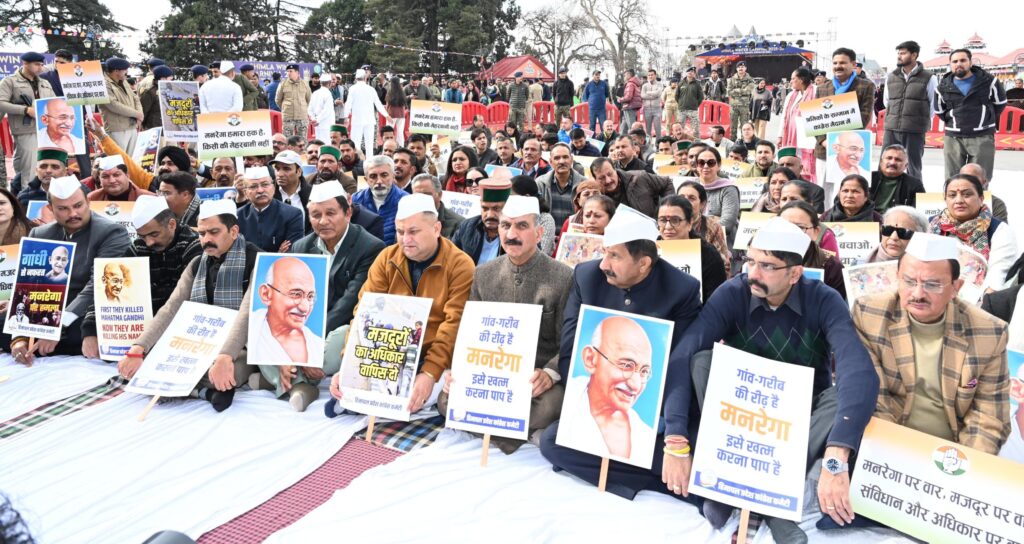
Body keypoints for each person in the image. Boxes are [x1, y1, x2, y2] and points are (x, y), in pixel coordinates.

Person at [671, 217, 878, 542]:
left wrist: (837, 456)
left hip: (799, 418)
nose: (753, 273)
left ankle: (759, 499)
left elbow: (857, 368)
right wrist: (675, 440)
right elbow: (686, 352)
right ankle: (767, 504)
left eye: (767, 266)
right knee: (701, 362)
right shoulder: (734, 292)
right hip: (741, 409)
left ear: (795, 274)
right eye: (750, 261)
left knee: (843, 394)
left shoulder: (823, 298)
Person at [539, 209, 703, 503]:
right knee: (553, 442)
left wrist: (667, 428)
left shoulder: (681, 290)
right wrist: (582, 408)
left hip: (658, 408)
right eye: (604, 252)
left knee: (694, 448)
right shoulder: (587, 277)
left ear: (644, 263)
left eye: (614, 256)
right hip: (598, 406)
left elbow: (679, 365)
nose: (604, 264)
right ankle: (664, 481)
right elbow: (571, 349)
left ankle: (666, 472)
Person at [854, 233, 1009, 455]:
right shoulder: (870, 314)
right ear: (897, 277)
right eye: (909, 282)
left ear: (956, 287)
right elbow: (873, 399)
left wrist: (964, 464)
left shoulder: (988, 331)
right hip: (887, 445)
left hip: (952, 452)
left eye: (932, 285)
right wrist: (892, 458)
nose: (918, 294)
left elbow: (988, 416)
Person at [438, 195, 572, 452]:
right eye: (505, 225)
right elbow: (471, 333)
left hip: (534, 380)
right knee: (446, 399)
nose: (511, 234)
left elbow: (569, 339)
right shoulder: (483, 274)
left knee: (550, 406)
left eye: (522, 226)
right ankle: (516, 427)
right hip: (492, 378)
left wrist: (550, 374)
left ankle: (487, 423)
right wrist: (460, 371)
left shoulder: (563, 277)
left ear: (539, 233)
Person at [326, 194, 474, 416]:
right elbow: (364, 313)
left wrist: (430, 373)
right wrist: (350, 365)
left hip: (434, 353)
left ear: (436, 229)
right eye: (400, 232)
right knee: (339, 372)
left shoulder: (460, 265)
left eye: (413, 232)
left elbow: (453, 325)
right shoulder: (387, 258)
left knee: (418, 395)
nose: (405, 239)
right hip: (388, 351)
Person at [117, 199, 260, 412]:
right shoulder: (198, 263)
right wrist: (139, 348)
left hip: (242, 344)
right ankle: (203, 392)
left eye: (214, 232)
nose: (206, 239)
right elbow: (171, 308)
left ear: (233, 231)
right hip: (200, 342)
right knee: (145, 363)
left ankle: (201, 386)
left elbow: (247, 314)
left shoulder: (256, 260)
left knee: (228, 372)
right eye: (202, 233)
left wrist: (225, 356)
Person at [7, 176, 131, 363]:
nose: (73, 213)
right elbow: (28, 286)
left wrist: (56, 327)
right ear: (51, 209)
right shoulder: (40, 234)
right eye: (63, 208)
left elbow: (98, 286)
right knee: (7, 322)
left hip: (87, 311)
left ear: (88, 202)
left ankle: (50, 342)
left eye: (78, 205)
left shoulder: (111, 232)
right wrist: (19, 337)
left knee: (80, 331)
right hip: (46, 312)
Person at [248, 257, 326, 411]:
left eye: (310, 297)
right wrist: (280, 361)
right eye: (296, 294)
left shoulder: (315, 342)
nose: (305, 307)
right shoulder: (255, 326)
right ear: (266, 294)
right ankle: (301, 386)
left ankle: (273, 381)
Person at [929, 173, 1017, 292]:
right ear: (945, 199)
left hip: (980, 297)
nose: (959, 200)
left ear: (981, 199)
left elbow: (997, 276)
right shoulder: (932, 225)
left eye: (967, 194)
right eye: (952, 195)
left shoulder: (999, 230)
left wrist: (983, 299)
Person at [935, 49, 1006, 180]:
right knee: (953, 178)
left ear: (970, 62)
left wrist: (985, 119)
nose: (958, 64)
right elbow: (939, 110)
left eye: (963, 60)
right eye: (955, 61)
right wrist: (954, 122)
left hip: (982, 136)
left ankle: (979, 194)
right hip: (953, 137)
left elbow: (1000, 103)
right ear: (950, 64)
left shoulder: (989, 81)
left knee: (980, 177)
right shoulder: (942, 86)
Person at [815, 48, 876, 192]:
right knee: (822, 192)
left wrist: (842, 142)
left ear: (853, 64)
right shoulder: (822, 88)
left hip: (850, 150)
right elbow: (816, 120)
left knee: (848, 191)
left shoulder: (866, 86)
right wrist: (824, 141)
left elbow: (864, 117)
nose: (838, 66)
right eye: (835, 63)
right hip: (824, 148)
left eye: (842, 62)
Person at [882, 41, 936, 179]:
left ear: (914, 55)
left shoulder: (929, 77)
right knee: (886, 165)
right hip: (892, 129)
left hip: (914, 130)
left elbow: (933, 105)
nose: (899, 56)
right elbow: (887, 101)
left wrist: (918, 121)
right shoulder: (891, 76)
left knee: (913, 167)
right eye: (898, 53)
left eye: (903, 53)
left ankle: (914, 193)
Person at [657, 195, 727, 301]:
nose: (668, 227)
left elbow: (716, 301)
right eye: (662, 220)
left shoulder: (708, 255)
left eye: (675, 220)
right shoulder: (650, 252)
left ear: (689, 223)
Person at [0, 52, 55, 183]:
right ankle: (27, 194)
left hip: (46, 130)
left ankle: (23, 191)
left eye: (41, 64)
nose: (40, 67)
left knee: (44, 168)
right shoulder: (10, 81)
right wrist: (25, 110)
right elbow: (1, 103)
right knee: (30, 171)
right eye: (36, 64)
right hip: (25, 130)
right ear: (25, 63)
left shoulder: (45, 83)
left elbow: (54, 102)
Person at [780, 201, 847, 299]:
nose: (791, 232)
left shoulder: (831, 267)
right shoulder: (760, 258)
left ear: (816, 231)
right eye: (785, 226)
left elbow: (835, 304)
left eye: (800, 227)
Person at [236, 167, 304, 253]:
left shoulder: (292, 214)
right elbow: (238, 251)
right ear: (245, 193)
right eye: (253, 186)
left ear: (273, 187)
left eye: (265, 185)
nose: (260, 190)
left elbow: (292, 251)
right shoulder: (238, 216)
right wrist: (277, 253)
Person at [590, 157, 673, 220]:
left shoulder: (639, 178)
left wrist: (666, 210)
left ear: (615, 170)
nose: (608, 180)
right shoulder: (595, 197)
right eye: (601, 178)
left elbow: (667, 183)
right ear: (595, 179)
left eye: (610, 174)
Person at [676, 180, 731, 276]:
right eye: (681, 197)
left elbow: (724, 266)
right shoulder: (666, 225)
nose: (685, 202)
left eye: (691, 198)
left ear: (702, 204)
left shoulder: (713, 227)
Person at [351, 155, 408, 245]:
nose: (379, 181)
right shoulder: (355, 200)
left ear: (393, 176)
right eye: (373, 176)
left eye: (384, 175)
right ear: (366, 179)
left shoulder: (406, 200)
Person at [451, 179, 510, 265]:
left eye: (496, 209)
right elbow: (451, 259)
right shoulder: (466, 227)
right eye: (485, 208)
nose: (490, 215)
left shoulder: (515, 234)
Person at [777, 68, 818, 183]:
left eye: (793, 79)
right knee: (792, 160)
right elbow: (784, 116)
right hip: (791, 136)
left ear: (801, 80)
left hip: (808, 138)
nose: (790, 81)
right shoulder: (791, 95)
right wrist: (780, 135)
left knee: (807, 164)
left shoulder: (816, 91)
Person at [98, 57, 143, 156]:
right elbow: (113, 105)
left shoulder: (124, 81)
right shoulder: (103, 84)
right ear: (116, 71)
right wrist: (137, 114)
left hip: (131, 126)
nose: (127, 72)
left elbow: (135, 97)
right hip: (117, 129)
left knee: (131, 160)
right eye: (125, 70)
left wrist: (140, 114)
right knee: (119, 160)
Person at [536, 143, 586, 228]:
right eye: (557, 158)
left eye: (565, 157)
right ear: (550, 162)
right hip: (547, 234)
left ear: (571, 159)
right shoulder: (540, 183)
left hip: (574, 234)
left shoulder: (584, 184)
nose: (562, 161)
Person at [780, 180, 837, 253]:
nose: (787, 203)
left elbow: (831, 260)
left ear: (809, 203)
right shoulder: (771, 227)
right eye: (784, 199)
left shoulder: (824, 234)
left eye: (794, 199)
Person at [870, 144, 924, 213]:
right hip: (868, 218)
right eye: (889, 158)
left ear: (906, 166)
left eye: (898, 160)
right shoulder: (867, 178)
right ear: (881, 162)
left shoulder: (915, 184)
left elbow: (920, 211)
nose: (892, 162)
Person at [411, 173, 463, 239]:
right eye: (417, 196)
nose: (422, 199)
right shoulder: (406, 217)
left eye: (427, 195)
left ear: (439, 195)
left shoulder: (458, 224)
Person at [87, 155, 156, 201]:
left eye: (116, 175)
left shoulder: (149, 199)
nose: (112, 181)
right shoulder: (92, 199)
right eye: (105, 176)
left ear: (127, 176)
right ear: (99, 179)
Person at [276, 64, 313, 138]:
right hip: (288, 116)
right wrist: (285, 108)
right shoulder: (283, 84)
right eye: (287, 71)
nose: (288, 73)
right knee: (287, 139)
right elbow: (278, 99)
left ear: (297, 72)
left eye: (291, 71)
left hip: (302, 116)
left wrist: (303, 108)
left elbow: (309, 99)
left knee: (302, 139)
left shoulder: (305, 84)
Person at [727, 61, 756, 138]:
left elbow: (748, 91)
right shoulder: (732, 79)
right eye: (739, 67)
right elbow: (729, 92)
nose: (740, 68)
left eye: (742, 67)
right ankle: (733, 142)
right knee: (733, 126)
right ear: (736, 69)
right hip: (734, 106)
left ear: (745, 68)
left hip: (744, 106)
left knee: (745, 126)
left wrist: (736, 90)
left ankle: (744, 141)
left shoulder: (750, 80)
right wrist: (742, 91)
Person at [141, 65, 174, 130]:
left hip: (166, 127)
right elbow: (143, 111)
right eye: (169, 77)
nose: (171, 78)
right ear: (162, 78)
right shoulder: (150, 92)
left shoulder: (169, 90)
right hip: (154, 128)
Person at [308, 73, 337, 144]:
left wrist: (314, 119)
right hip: (326, 124)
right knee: (327, 145)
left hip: (317, 125)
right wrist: (317, 120)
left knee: (319, 144)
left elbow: (309, 109)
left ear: (320, 83)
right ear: (329, 83)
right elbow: (327, 110)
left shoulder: (315, 93)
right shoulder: (328, 94)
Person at [675, 67, 703, 137]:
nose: (690, 73)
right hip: (682, 110)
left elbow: (701, 97)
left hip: (693, 110)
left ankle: (696, 142)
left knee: (696, 129)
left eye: (692, 72)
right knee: (679, 128)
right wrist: (681, 103)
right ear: (686, 73)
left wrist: (695, 104)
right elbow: (676, 96)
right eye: (689, 71)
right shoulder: (681, 83)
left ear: (694, 74)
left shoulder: (697, 84)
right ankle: (680, 141)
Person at [641, 69, 665, 139]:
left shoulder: (659, 84)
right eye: (649, 75)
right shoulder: (644, 85)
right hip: (647, 109)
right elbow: (642, 96)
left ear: (655, 75)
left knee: (658, 128)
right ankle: (648, 143)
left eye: (652, 75)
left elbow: (658, 94)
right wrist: (653, 95)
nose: (650, 76)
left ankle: (658, 143)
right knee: (648, 129)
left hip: (657, 108)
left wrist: (648, 93)